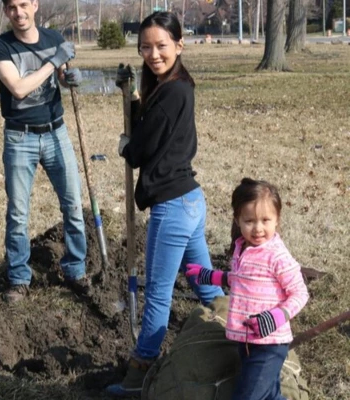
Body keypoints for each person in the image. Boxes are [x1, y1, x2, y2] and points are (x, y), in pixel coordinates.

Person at [106, 11, 224, 397]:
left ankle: (138, 376)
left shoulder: (173, 91)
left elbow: (139, 150)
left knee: (158, 293)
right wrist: (135, 99)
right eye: (146, 47)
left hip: (173, 207)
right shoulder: (173, 86)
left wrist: (127, 145)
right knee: (203, 281)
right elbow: (151, 126)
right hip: (190, 200)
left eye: (161, 46)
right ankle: (232, 340)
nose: (153, 54)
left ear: (179, 45)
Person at [0, 0, 89, 303]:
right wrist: (53, 62)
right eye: (12, 7)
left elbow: (62, 76)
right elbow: (18, 88)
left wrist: (71, 77)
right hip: (20, 138)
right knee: (18, 213)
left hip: (57, 132)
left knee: (72, 204)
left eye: (23, 5)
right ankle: (18, 277)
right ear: (6, 11)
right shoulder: (0, 47)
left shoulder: (53, 39)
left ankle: (75, 269)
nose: (18, 13)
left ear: (35, 5)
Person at [186, 177, 309, 400]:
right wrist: (209, 276)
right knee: (270, 395)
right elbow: (239, 280)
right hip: (247, 341)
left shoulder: (277, 256)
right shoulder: (243, 249)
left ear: (277, 220)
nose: (258, 228)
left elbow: (300, 293)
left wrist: (276, 317)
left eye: (265, 220)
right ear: (238, 220)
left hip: (270, 344)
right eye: (250, 221)